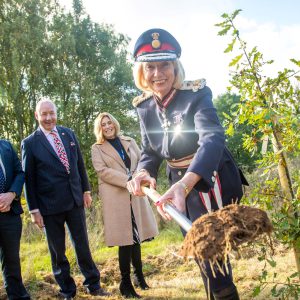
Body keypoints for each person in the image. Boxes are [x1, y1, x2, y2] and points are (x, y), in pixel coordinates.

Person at [127, 28, 249, 300]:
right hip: (178, 187)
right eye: (150, 67)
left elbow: (213, 139)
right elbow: (150, 148)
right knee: (202, 256)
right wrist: (143, 171)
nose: (158, 73)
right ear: (141, 73)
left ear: (175, 66)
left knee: (213, 260)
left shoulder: (197, 94)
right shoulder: (144, 106)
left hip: (209, 179)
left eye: (165, 65)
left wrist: (186, 183)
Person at [21, 99, 111, 300]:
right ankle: (67, 291)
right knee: (58, 252)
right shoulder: (30, 143)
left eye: (51, 113)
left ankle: (93, 285)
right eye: (43, 114)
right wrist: (34, 210)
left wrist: (86, 191)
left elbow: (79, 164)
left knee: (83, 245)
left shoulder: (68, 133)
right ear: (37, 116)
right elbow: (29, 180)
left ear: (56, 113)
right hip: (49, 206)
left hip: (74, 200)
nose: (48, 118)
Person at [91, 112, 158, 299]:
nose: (107, 126)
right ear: (100, 128)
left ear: (115, 123)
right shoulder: (97, 148)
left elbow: (142, 161)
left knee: (137, 239)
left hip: (135, 194)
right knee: (125, 241)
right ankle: (125, 284)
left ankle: (139, 277)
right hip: (116, 196)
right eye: (103, 124)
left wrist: (137, 177)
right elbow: (102, 171)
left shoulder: (129, 140)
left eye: (109, 122)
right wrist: (129, 179)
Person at [0, 139, 30, 300]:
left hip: (10, 213)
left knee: (11, 258)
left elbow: (20, 172)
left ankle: (17, 295)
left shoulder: (5, 145)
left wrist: (11, 194)